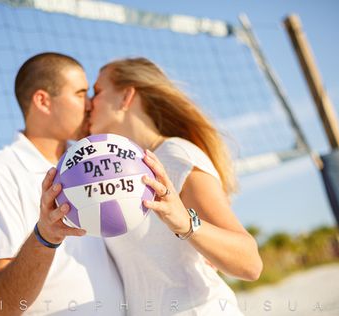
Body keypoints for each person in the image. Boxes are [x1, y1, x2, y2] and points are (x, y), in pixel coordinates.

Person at [86, 57, 262, 314]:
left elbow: (250, 263)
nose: (89, 103)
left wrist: (186, 223)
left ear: (126, 96)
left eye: (97, 92)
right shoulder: (119, 173)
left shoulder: (176, 154)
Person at [0, 52, 124, 315]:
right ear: (43, 101)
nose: (89, 105)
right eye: (80, 93)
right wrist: (45, 236)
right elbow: (6, 305)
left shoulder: (98, 163)